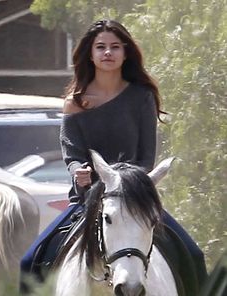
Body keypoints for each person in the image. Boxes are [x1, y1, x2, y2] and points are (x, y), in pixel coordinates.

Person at [20, 19, 207, 292]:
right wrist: (78, 172)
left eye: (115, 47)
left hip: (134, 198)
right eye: (101, 47)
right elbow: (72, 153)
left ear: (126, 52)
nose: (108, 52)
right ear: (91, 53)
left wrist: (125, 182)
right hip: (87, 199)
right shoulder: (75, 101)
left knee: (194, 255)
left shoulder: (142, 96)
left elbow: (145, 158)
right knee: (29, 261)